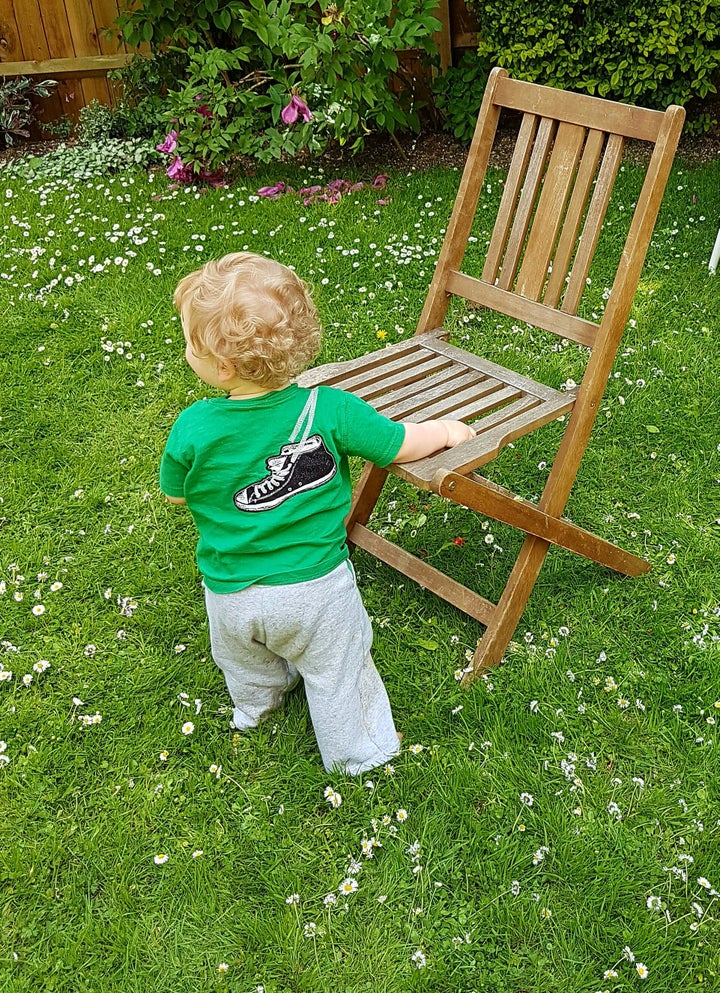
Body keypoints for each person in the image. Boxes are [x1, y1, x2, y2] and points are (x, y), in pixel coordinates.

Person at [160, 252, 475, 774]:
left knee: (246, 664)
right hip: (316, 592)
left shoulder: (193, 427)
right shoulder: (330, 409)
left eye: (189, 342)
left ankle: (255, 711)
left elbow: (177, 495)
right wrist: (445, 430)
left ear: (222, 366)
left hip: (229, 592)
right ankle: (358, 755)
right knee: (338, 670)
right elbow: (398, 443)